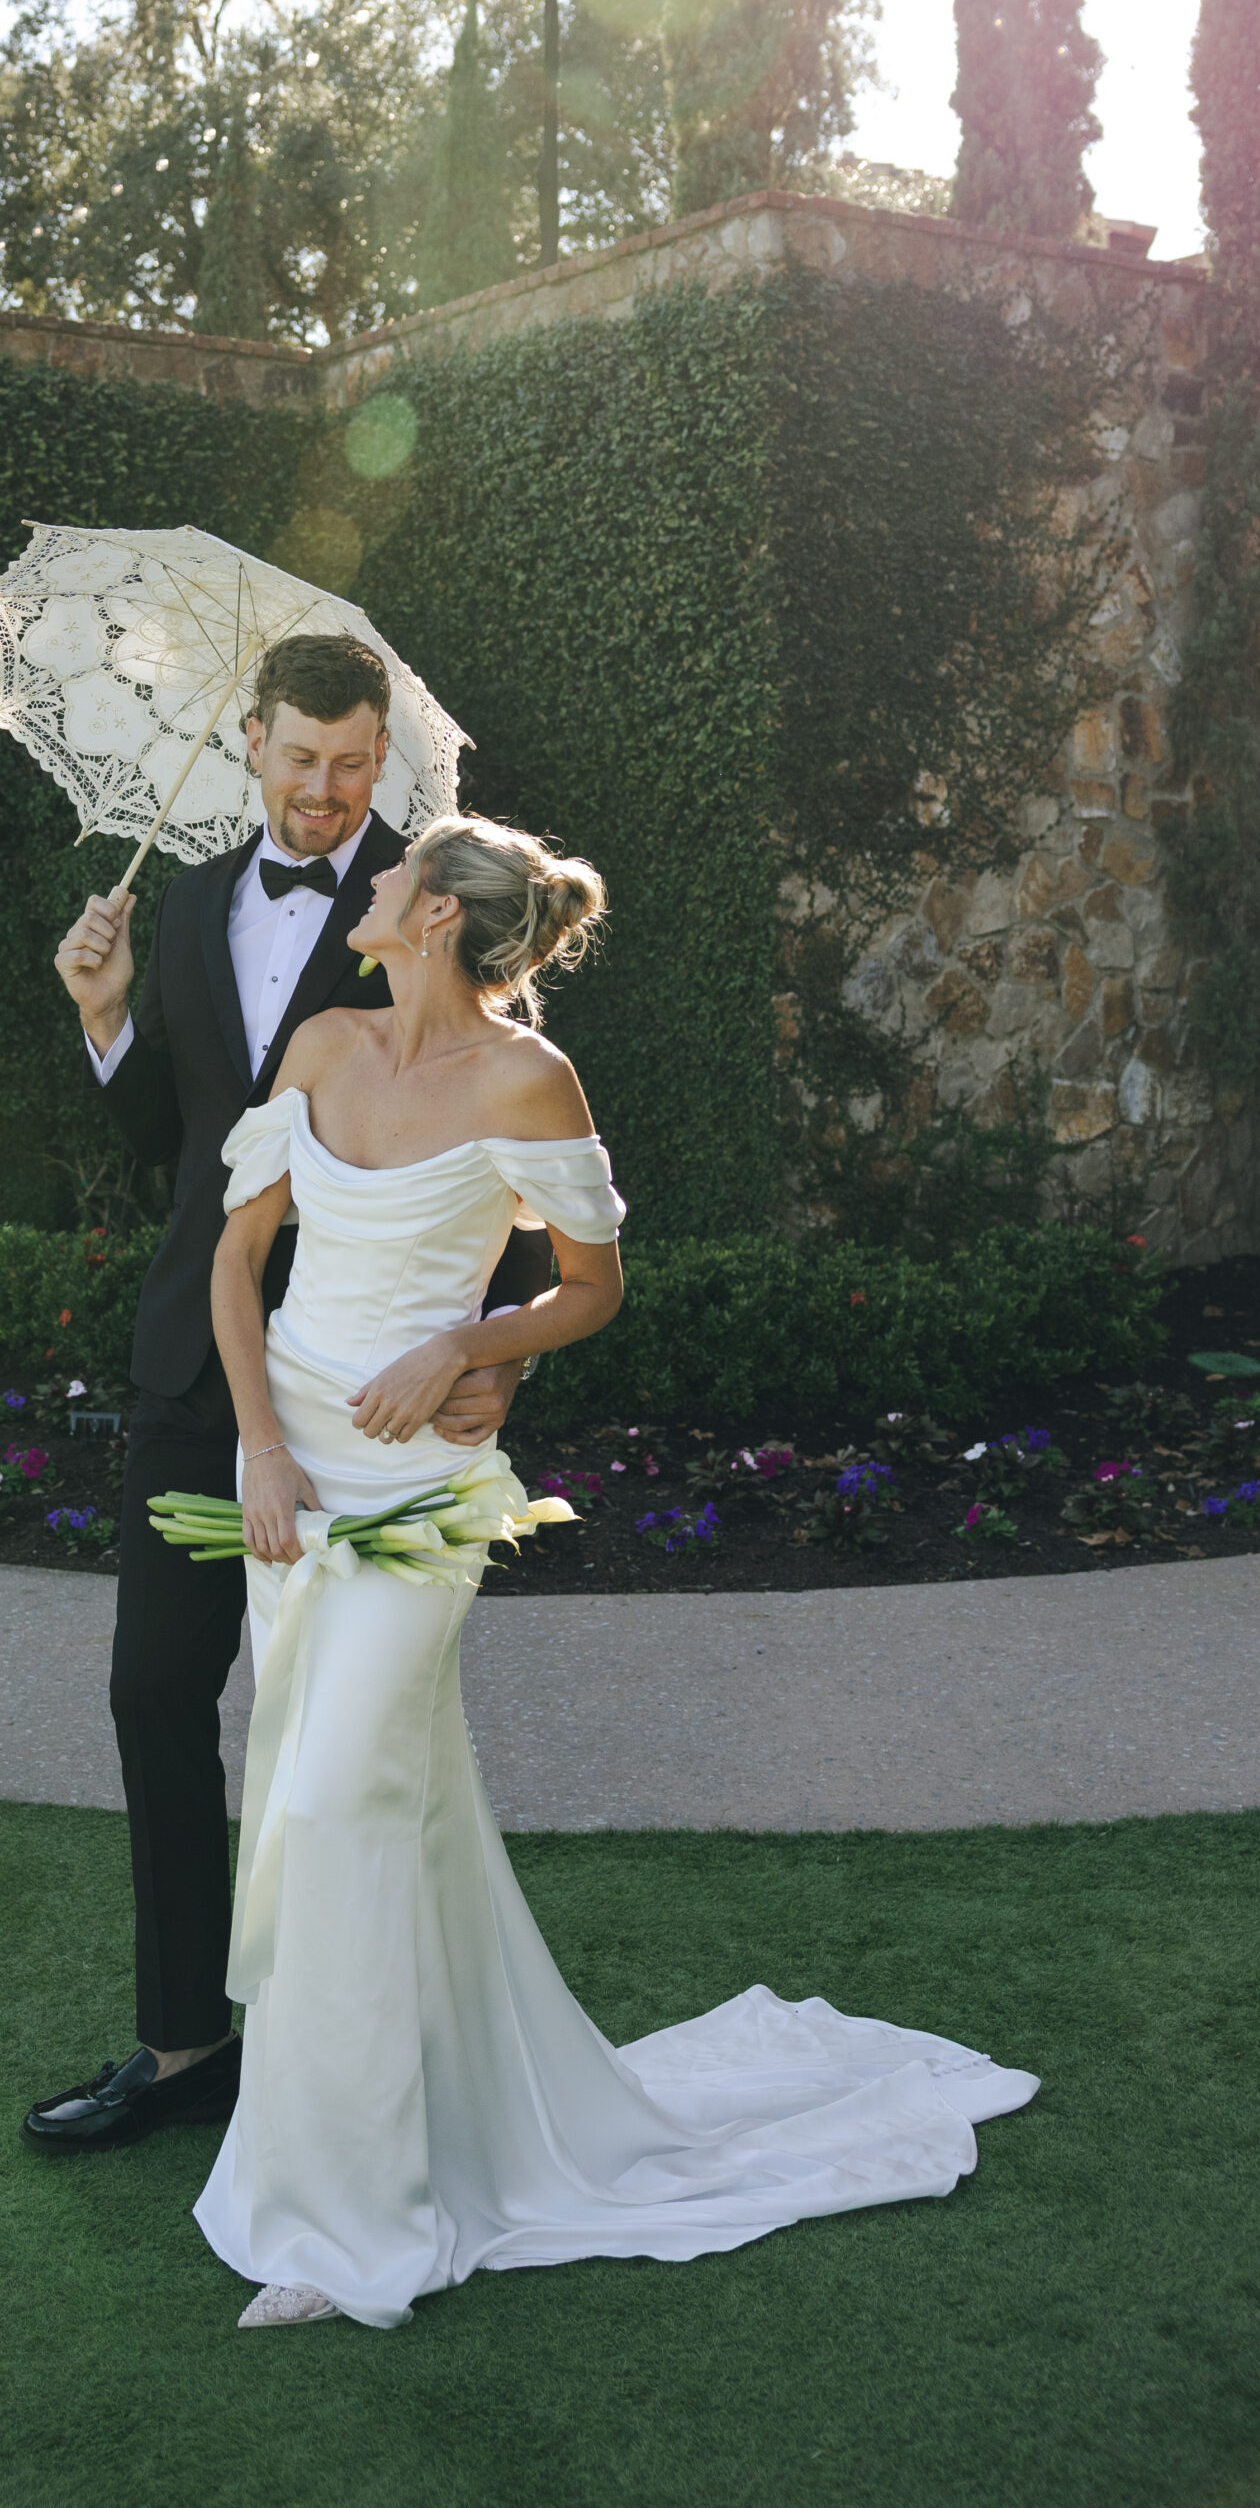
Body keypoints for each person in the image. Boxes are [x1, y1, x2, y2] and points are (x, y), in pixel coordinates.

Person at [193, 811, 1041, 2329]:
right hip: (296, 1482)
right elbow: (235, 1259)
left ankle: (350, 2227)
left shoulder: (531, 1079)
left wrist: (473, 1340)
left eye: (392, 877)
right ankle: (402, 2135)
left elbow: (592, 1284)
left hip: (426, 1498)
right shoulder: (320, 1044)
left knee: (335, 1804)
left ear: (439, 915)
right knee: (369, 1812)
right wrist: (260, 1447)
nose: (368, 886)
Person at [26, 636, 551, 2151]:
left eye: (353, 762)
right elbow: (183, 1151)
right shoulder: (185, 903)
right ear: (250, 742)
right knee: (154, 1697)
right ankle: (189, 2045)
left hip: (376, 1397)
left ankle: (357, 2069)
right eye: (301, 759)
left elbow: (523, 1168)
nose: (327, 793)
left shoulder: (432, 901)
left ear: (380, 755)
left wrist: (479, 1353)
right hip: (201, 1372)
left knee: (337, 1752)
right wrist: (106, 1017)